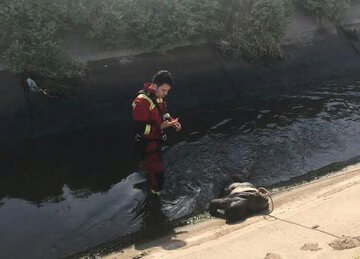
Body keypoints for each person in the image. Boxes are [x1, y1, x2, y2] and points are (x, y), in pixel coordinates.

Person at [132, 70, 181, 195]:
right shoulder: (141, 102)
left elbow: (164, 112)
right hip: (147, 143)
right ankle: (156, 193)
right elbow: (140, 129)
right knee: (157, 173)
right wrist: (161, 127)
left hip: (156, 139)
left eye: (167, 91)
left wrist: (171, 121)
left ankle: (149, 174)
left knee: (154, 166)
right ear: (155, 86)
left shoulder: (158, 97)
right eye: (164, 90)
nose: (166, 94)